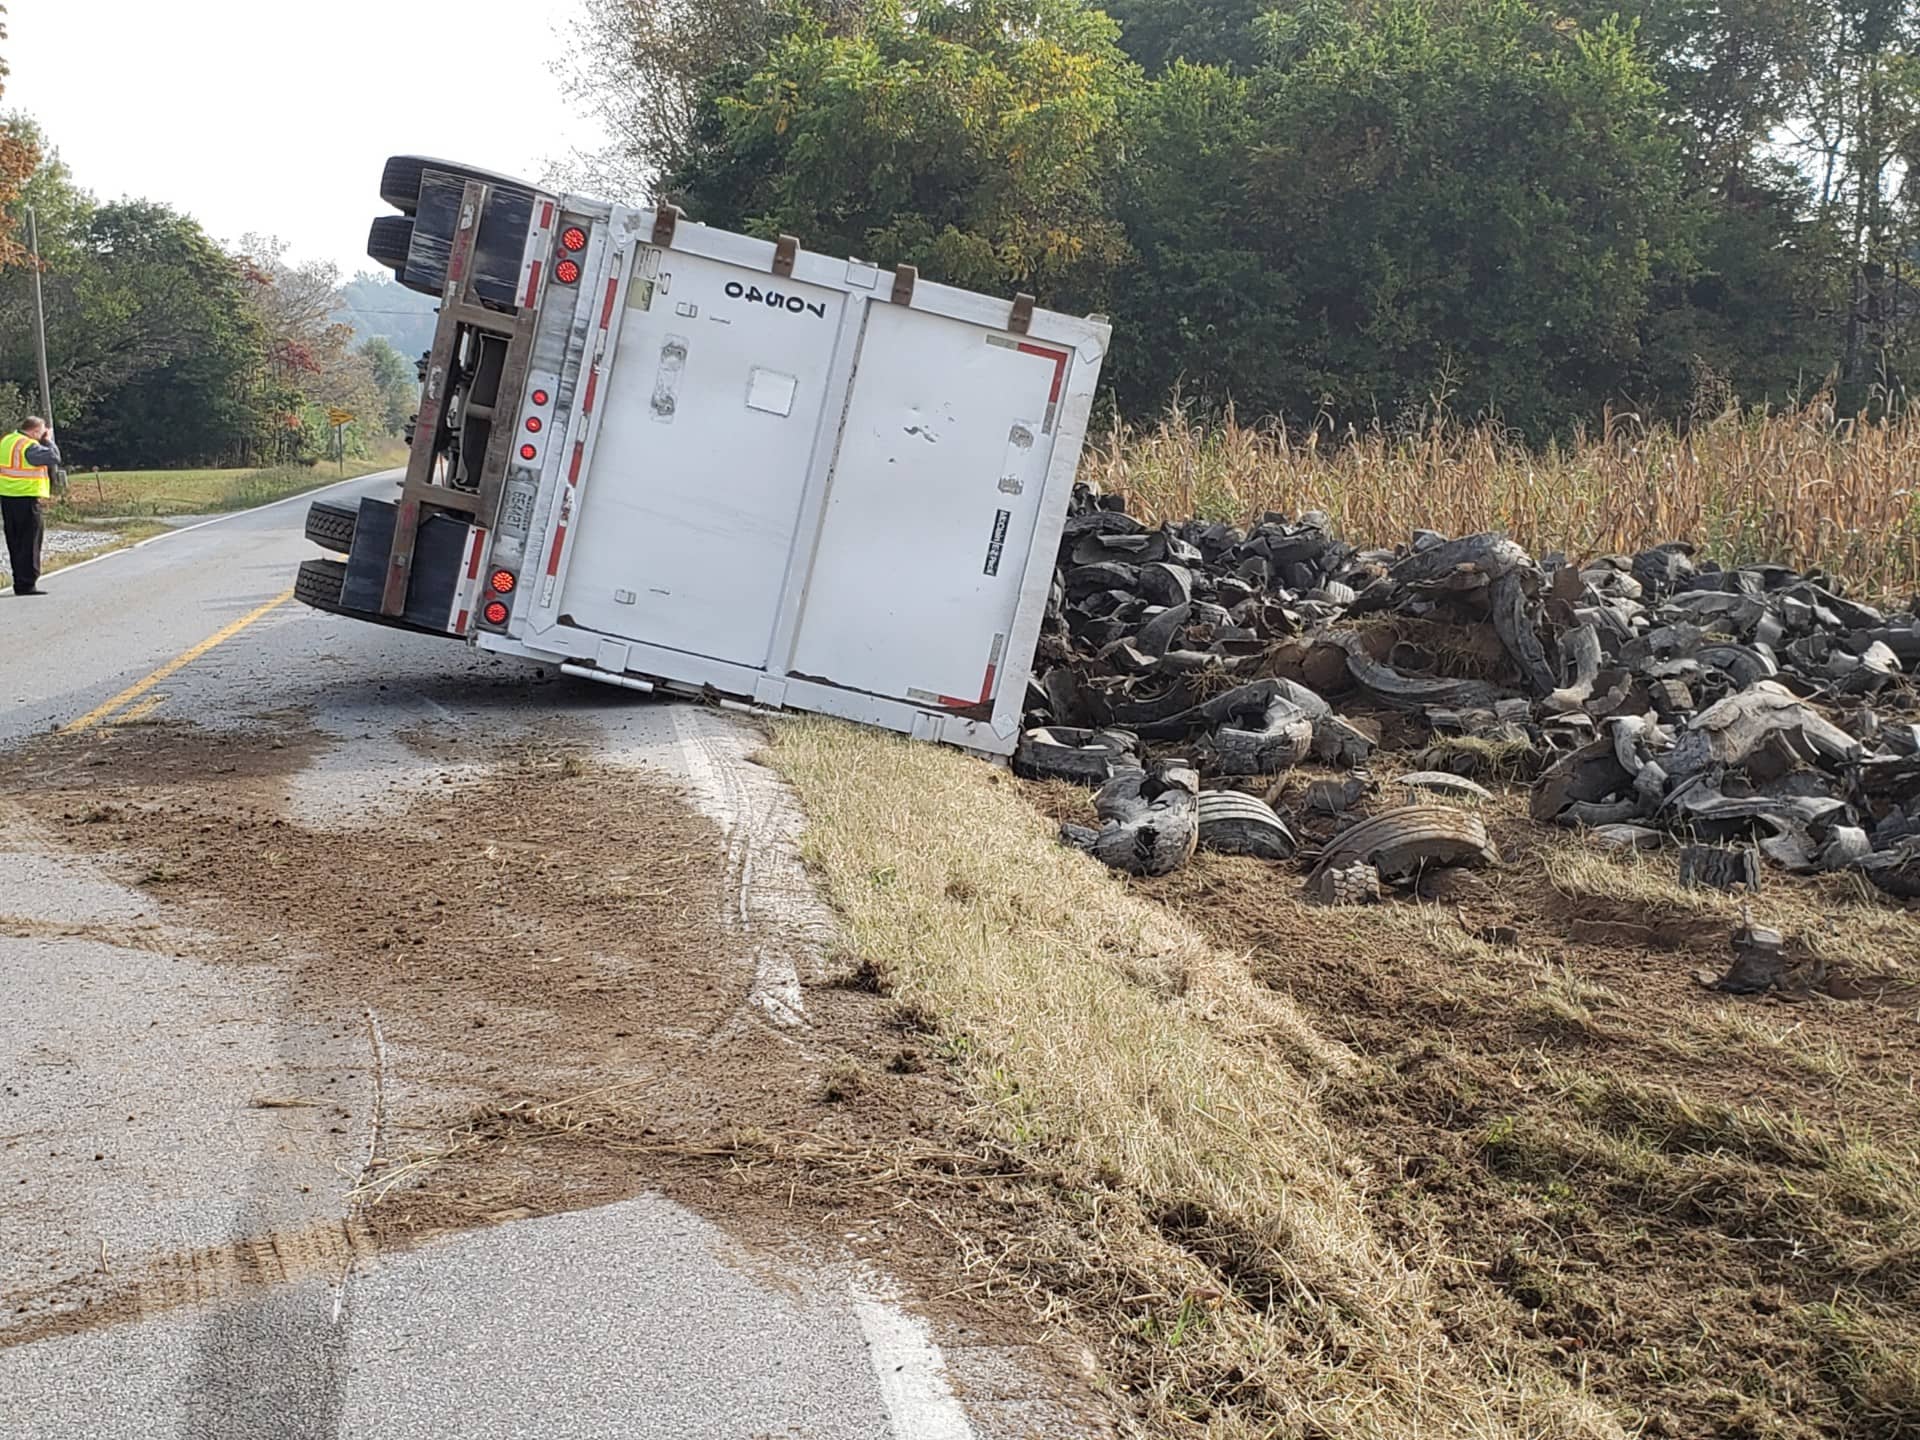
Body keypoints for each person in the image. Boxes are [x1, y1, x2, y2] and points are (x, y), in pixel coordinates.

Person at [0, 417, 60, 596]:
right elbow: (54, 457)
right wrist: (48, 441)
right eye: (41, 431)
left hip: (7, 497)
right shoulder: (29, 445)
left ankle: (19, 580)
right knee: (30, 542)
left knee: (15, 541)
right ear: (34, 431)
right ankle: (27, 583)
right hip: (25, 498)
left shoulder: (7, 440)